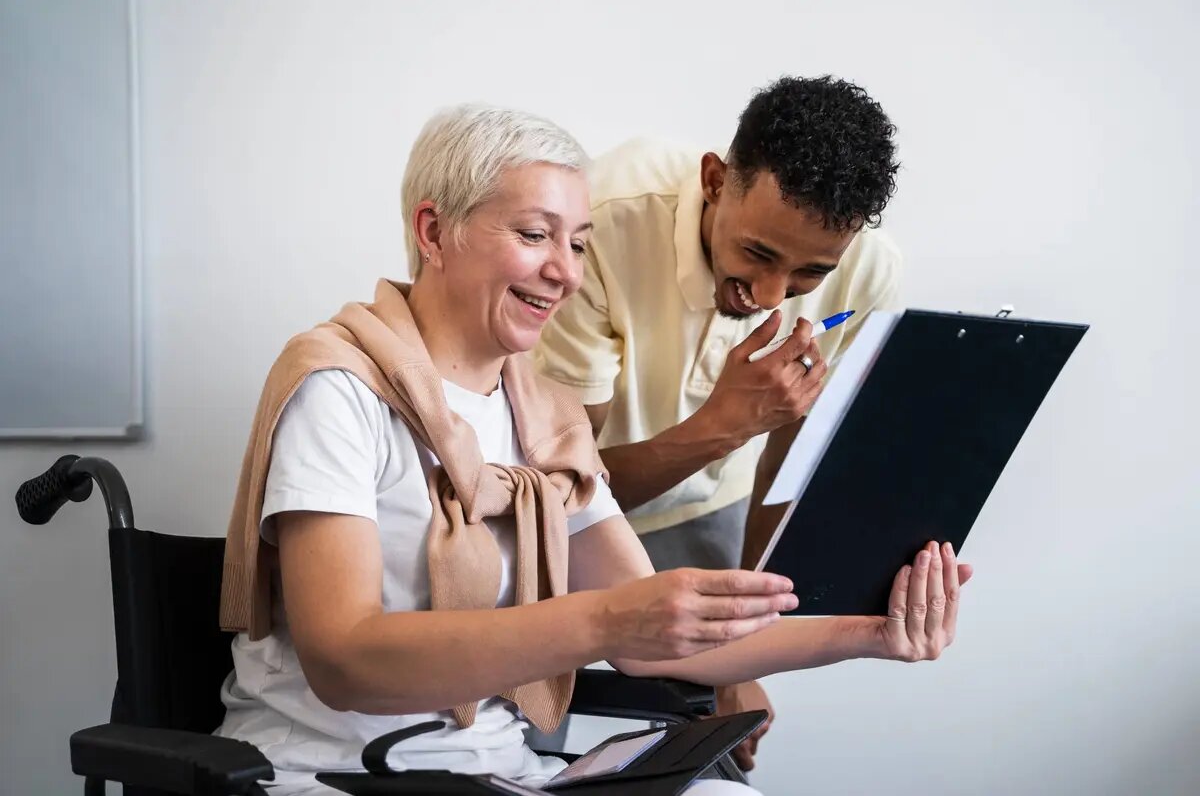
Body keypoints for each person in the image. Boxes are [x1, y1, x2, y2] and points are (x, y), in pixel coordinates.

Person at [215, 104, 969, 795]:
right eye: (535, 235)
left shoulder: (546, 418)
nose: (567, 272)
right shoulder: (337, 389)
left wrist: (872, 632)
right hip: (325, 770)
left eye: (578, 244)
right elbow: (343, 657)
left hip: (498, 771)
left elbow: (662, 646)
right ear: (433, 231)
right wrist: (604, 620)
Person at [534, 75, 908, 768]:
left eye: (807, 275)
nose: (771, 296)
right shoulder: (603, 221)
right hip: (577, 508)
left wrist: (743, 650)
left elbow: (789, 464)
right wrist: (728, 422)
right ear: (713, 179)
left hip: (716, 508)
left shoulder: (870, 276)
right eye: (759, 254)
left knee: (714, 744)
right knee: (527, 727)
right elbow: (560, 493)